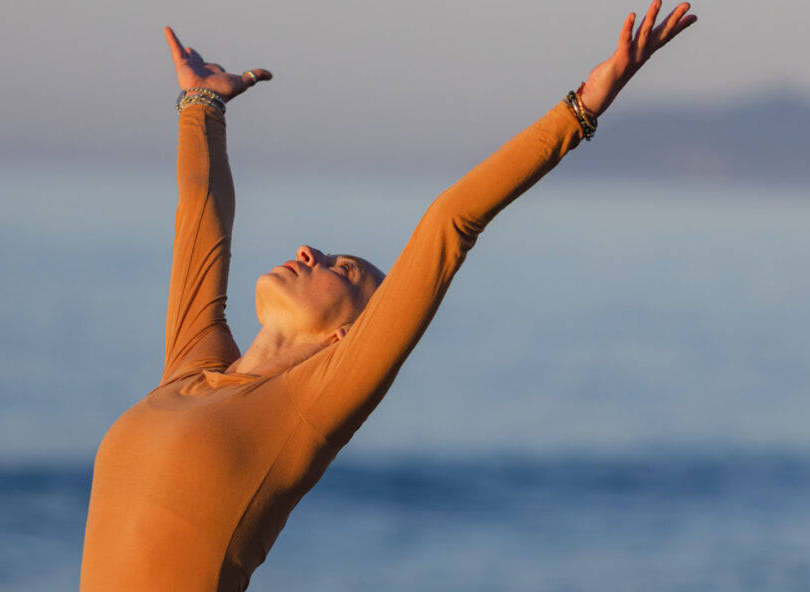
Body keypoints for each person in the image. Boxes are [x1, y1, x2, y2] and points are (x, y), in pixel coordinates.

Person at [80, 2, 697, 590]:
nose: (309, 251)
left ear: (345, 338)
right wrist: (203, 104)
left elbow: (450, 222)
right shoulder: (192, 368)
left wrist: (581, 108)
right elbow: (200, 214)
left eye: (342, 270)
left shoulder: (310, 406)